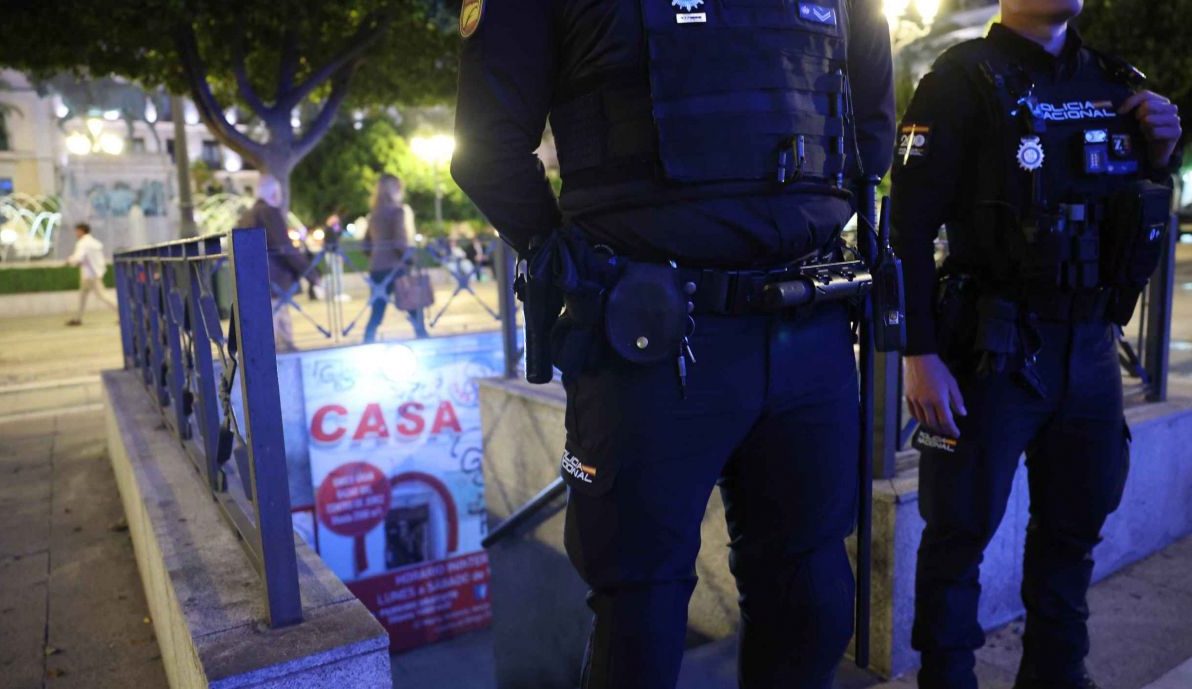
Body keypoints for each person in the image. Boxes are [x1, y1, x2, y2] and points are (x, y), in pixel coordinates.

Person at [451, 1, 895, 687]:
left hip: (810, 325)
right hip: (649, 338)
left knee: (812, 604)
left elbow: (871, 129)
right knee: (640, 620)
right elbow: (486, 150)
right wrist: (579, 263)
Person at [890, 1, 1182, 687]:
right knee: (958, 534)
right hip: (990, 348)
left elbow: (1138, 206)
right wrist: (918, 353)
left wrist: (1161, 154)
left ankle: (1058, 673)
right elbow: (906, 229)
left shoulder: (1115, 82)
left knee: (1073, 532)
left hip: (1091, 345)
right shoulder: (960, 79)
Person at [239, 175, 318, 352]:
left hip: (254, 278)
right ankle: (283, 357)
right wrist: (312, 274)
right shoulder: (270, 213)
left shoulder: (247, 215)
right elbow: (285, 247)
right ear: (274, 194)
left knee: (269, 326)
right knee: (279, 327)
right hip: (274, 279)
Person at [363, 174, 428, 342]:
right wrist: (411, 260)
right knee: (413, 307)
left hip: (376, 268)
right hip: (396, 268)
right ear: (395, 190)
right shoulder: (398, 211)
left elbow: (365, 245)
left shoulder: (374, 215)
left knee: (377, 309)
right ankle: (423, 338)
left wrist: (377, 255)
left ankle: (368, 340)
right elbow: (400, 242)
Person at [65, 221, 115, 326]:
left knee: (102, 295)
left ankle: (122, 313)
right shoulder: (94, 243)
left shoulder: (83, 243)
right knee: (83, 296)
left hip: (89, 275)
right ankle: (78, 318)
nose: (76, 233)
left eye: (77, 231)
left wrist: (69, 261)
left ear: (81, 231)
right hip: (94, 273)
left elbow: (78, 258)